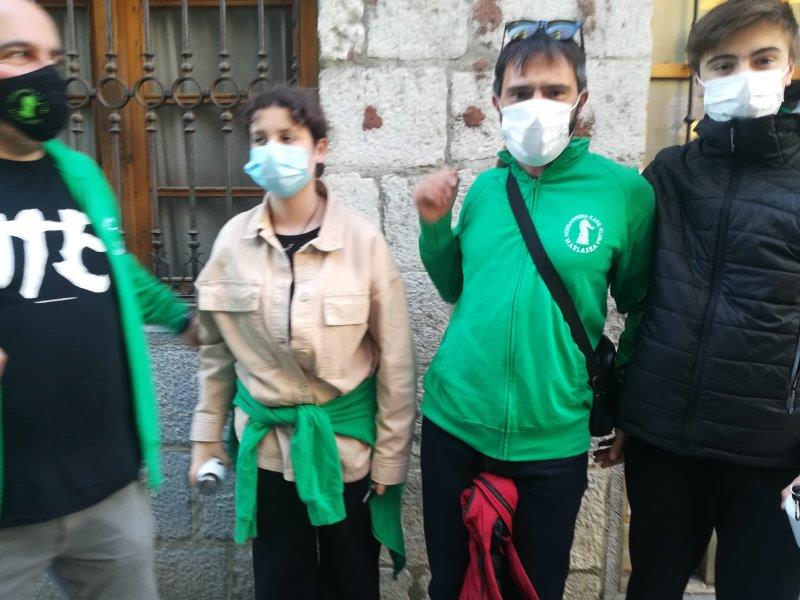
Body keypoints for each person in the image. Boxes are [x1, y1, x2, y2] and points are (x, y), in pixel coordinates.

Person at [414, 20, 655, 600]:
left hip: (553, 438)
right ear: (497, 102)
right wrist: (433, 225)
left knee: (535, 588)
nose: (537, 104)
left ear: (580, 100)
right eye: (521, 93)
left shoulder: (624, 193)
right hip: (454, 423)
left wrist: (626, 407)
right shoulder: (485, 190)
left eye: (554, 90)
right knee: (451, 583)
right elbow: (454, 287)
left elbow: (642, 307)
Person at [595, 1, 800, 598]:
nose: (744, 75)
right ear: (700, 76)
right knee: (652, 586)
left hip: (771, 457)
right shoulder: (669, 174)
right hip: (665, 444)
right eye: (725, 64)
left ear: (790, 67)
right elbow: (643, 301)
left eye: (763, 59)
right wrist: (629, 411)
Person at [0, 1, 196, 598]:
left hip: (108, 491)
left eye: (52, 58)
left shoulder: (80, 173)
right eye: (18, 54)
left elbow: (111, 268)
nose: (44, 73)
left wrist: (183, 318)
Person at [188, 85, 416, 600]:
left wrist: (390, 457)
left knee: (351, 582)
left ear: (319, 148)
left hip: (347, 449)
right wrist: (205, 437)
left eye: (287, 137)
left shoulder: (362, 241)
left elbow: (396, 361)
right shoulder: (232, 242)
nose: (272, 149)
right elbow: (217, 353)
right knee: (280, 582)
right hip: (267, 451)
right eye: (260, 138)